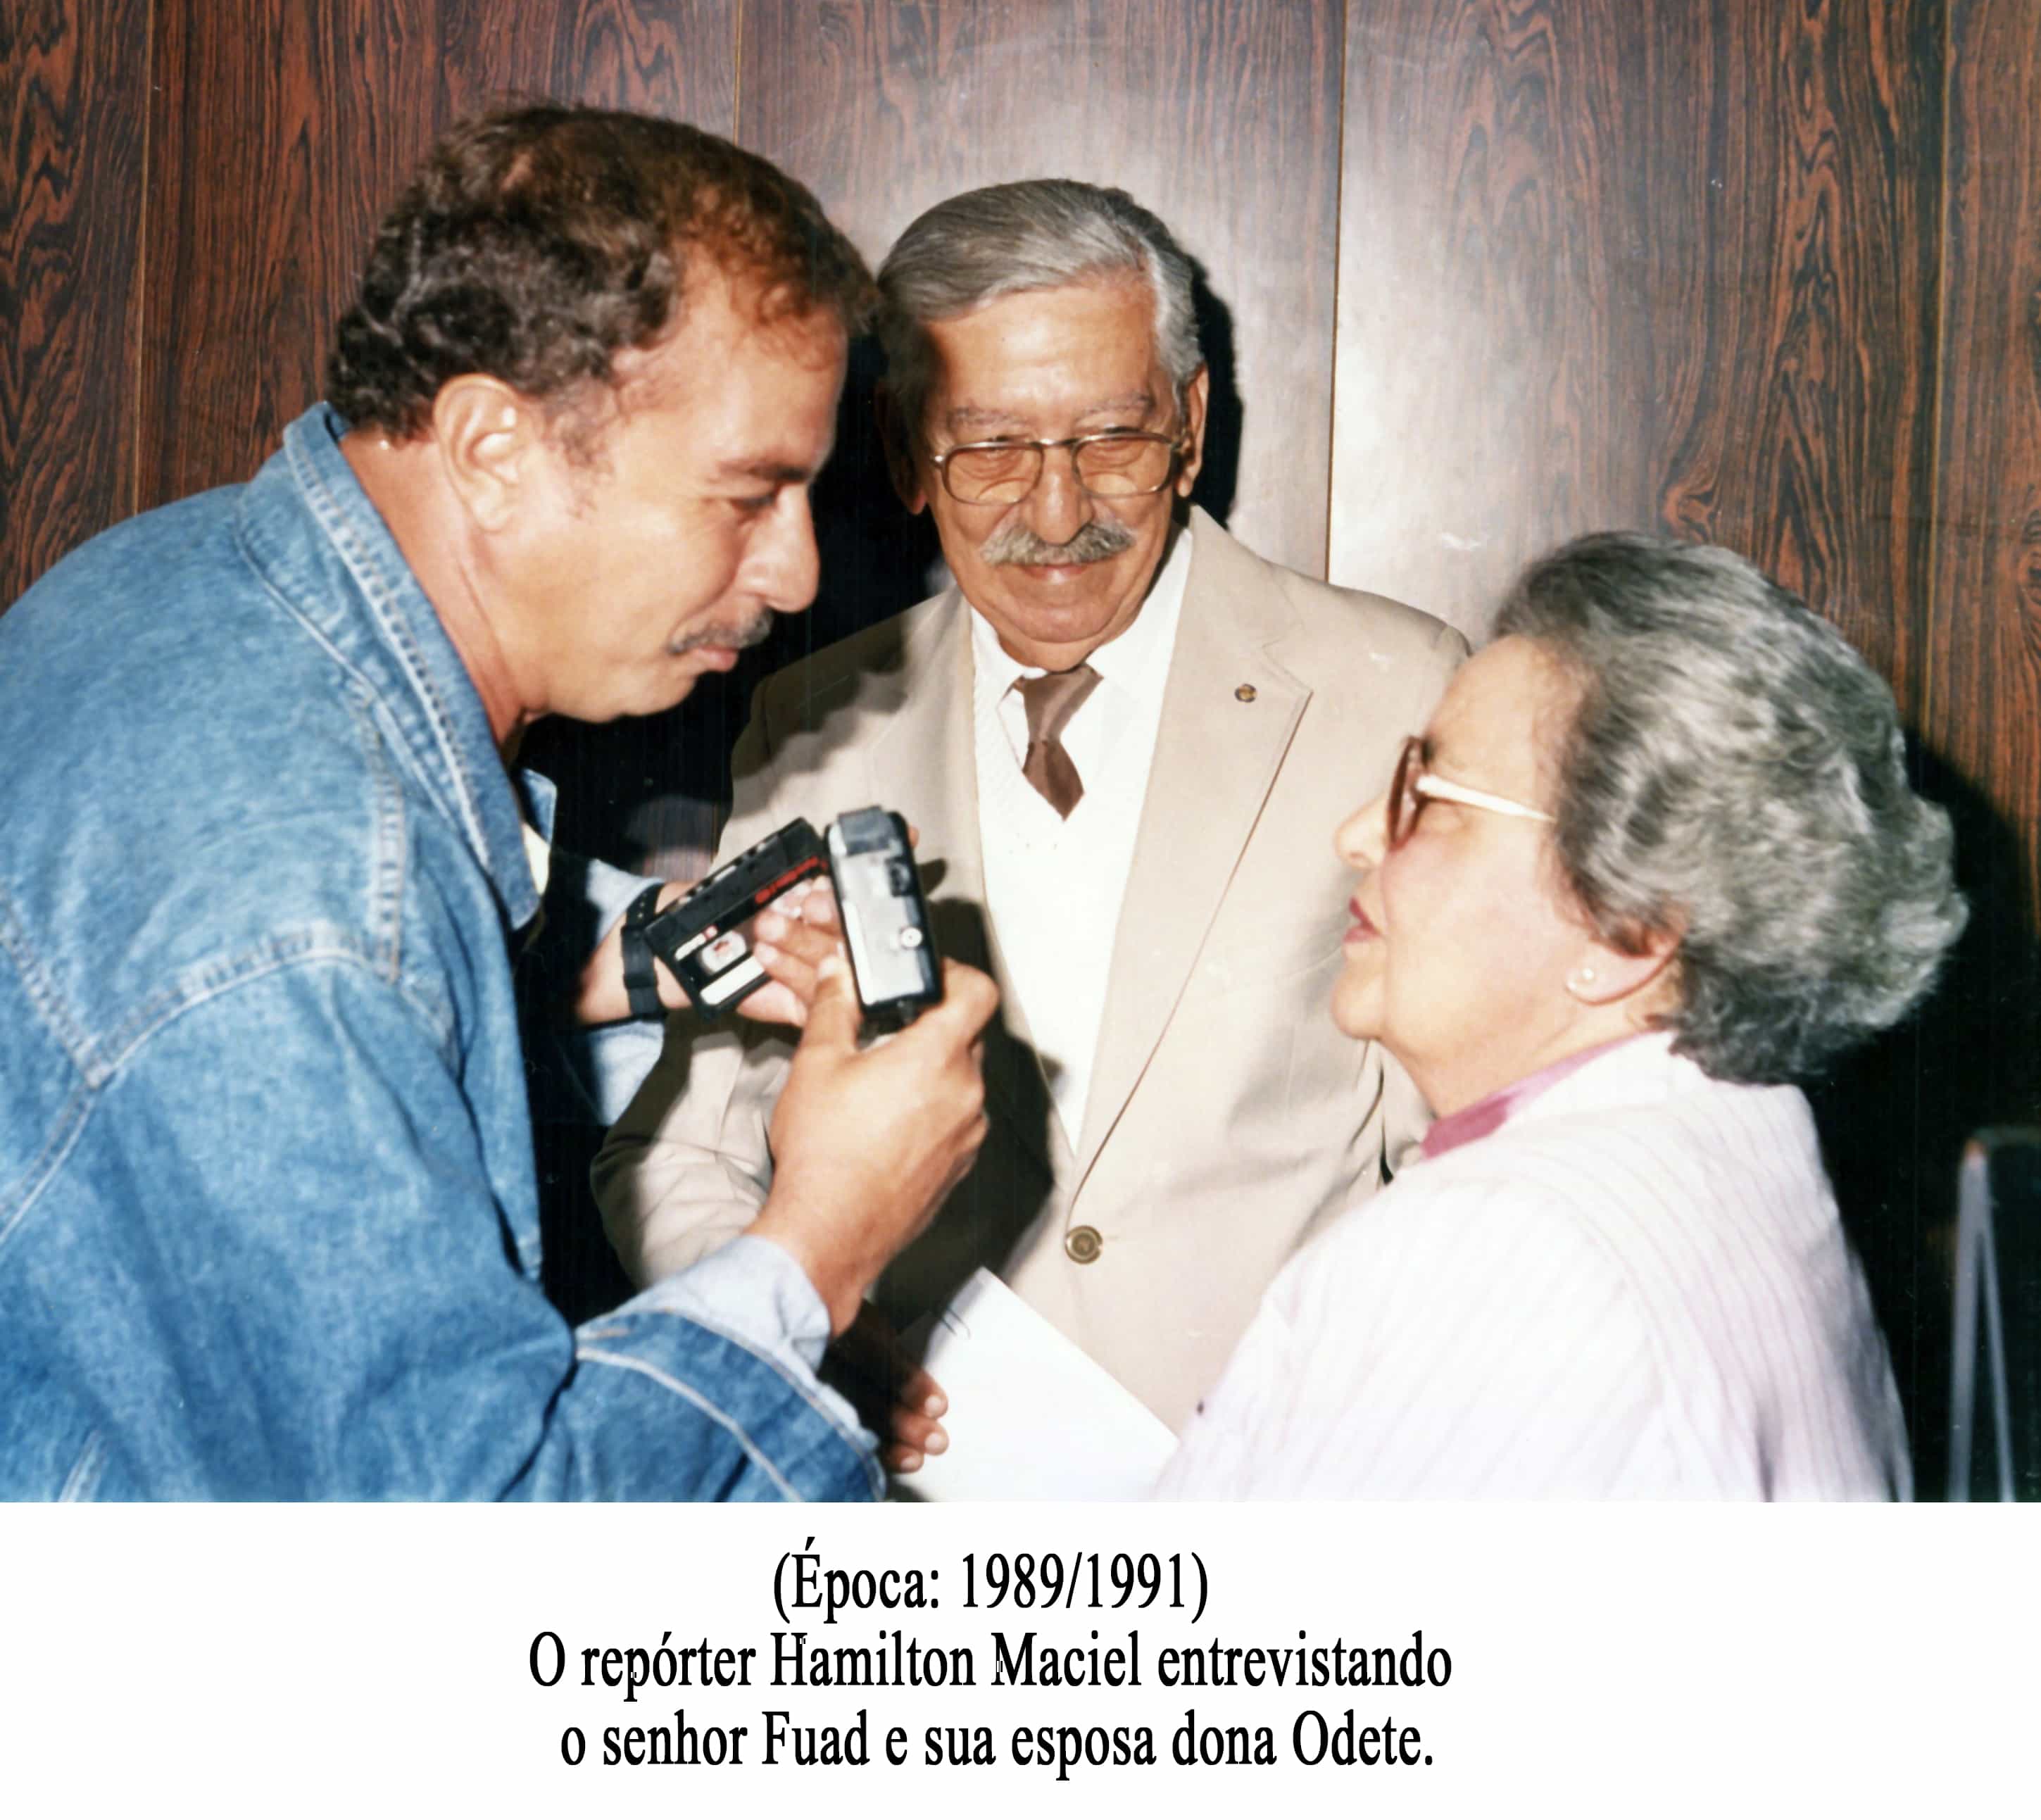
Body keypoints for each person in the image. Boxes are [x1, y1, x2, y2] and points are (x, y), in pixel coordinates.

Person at [0, 104, 997, 1500]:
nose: (795, 574)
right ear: (490, 447)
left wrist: (613, 967)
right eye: (748, 496)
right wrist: (821, 1246)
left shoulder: (178, 572)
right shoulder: (302, 908)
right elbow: (462, 1561)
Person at [595, 178, 1466, 1440]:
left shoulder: (1397, 689)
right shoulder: (808, 721)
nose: (1058, 516)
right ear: (906, 453)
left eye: (1111, 438)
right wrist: (796, 1328)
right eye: (992, 450)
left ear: (1190, 425)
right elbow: (678, 1151)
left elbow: (1473, 1149)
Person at [1159, 531, 1966, 1498]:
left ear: (1629, 927)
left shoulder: (1506, 1249)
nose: (1357, 834)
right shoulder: (1744, 1148)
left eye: (1429, 797)